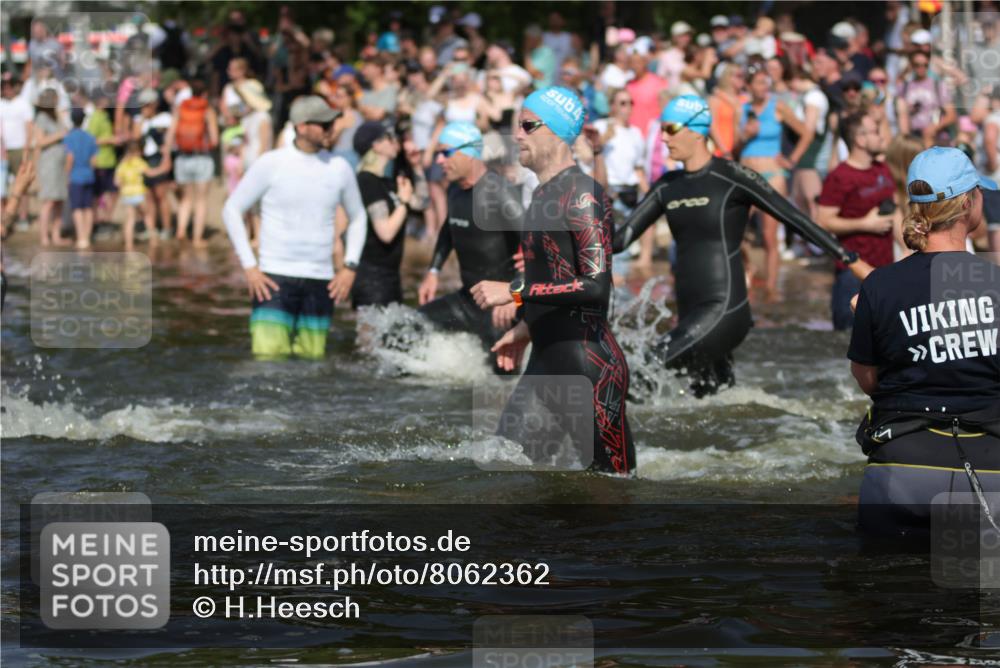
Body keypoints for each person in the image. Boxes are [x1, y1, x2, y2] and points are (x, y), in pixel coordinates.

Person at [612, 95, 859, 397]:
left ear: (696, 129)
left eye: (670, 128)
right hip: (690, 313)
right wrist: (596, 160)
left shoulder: (731, 177)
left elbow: (794, 218)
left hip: (724, 311)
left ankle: (606, 441)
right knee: (711, 405)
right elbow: (617, 241)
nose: (662, 138)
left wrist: (852, 260)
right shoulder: (667, 186)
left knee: (639, 371)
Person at [470, 86, 635, 475]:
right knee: (500, 476)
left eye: (528, 126)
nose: (517, 136)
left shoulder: (583, 194)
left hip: (589, 369)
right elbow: (555, 275)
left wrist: (514, 291)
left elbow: (596, 287)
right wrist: (526, 327)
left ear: (558, 133)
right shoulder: (543, 194)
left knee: (614, 498)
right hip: (545, 361)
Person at [849, 146, 1000, 536]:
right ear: (968, 204)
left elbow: (867, 380)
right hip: (992, 468)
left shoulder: (879, 286)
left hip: (903, 470)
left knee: (889, 589)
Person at [222, 96, 367, 359]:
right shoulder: (271, 163)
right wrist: (249, 267)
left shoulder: (339, 167)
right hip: (273, 278)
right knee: (268, 361)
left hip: (322, 279)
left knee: (312, 363)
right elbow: (231, 209)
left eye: (332, 123)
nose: (331, 128)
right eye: (324, 124)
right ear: (301, 127)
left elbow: (358, 217)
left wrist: (350, 267)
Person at [416, 122, 522, 369]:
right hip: (467, 301)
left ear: (470, 151)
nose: (439, 160)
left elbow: (536, 243)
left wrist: (513, 295)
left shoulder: (499, 191)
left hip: (500, 308)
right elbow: (448, 232)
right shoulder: (454, 189)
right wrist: (433, 272)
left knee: (500, 381)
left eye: (446, 152)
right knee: (408, 327)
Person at [816, 110, 896, 331]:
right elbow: (823, 221)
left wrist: (908, 249)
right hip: (852, 271)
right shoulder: (840, 176)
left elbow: (893, 211)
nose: (881, 137)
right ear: (860, 140)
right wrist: (864, 224)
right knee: (847, 340)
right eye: (875, 132)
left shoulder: (881, 169)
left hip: (885, 270)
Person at [351, 121, 415, 308]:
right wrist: (403, 202)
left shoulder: (386, 183)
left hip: (391, 276)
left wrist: (416, 166)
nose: (395, 141)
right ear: (376, 145)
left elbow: (422, 203)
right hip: (372, 278)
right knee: (370, 337)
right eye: (389, 137)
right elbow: (385, 232)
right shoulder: (366, 181)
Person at [165, 79, 219, 247]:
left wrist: (167, 155)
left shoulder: (181, 108)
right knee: (201, 200)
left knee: (185, 199)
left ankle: (181, 231)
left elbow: (171, 134)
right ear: (205, 94)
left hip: (183, 158)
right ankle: (197, 238)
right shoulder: (207, 109)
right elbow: (215, 140)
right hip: (202, 157)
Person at [32, 88, 68, 246]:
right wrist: (58, 136)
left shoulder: (56, 116)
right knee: (49, 202)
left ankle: (56, 235)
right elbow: (39, 142)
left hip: (60, 165)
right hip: (48, 165)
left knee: (59, 200)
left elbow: (66, 130)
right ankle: (44, 237)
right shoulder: (41, 117)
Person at [62, 108, 99, 250]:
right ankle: (87, 237)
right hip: (89, 175)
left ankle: (81, 237)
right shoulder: (90, 137)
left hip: (75, 177)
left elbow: (70, 158)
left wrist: (67, 175)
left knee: (77, 207)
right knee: (88, 207)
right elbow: (94, 161)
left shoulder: (69, 137)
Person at [113, 140, 156, 251]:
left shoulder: (122, 164)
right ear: (138, 151)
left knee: (130, 220)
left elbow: (117, 182)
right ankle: (153, 240)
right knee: (147, 216)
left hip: (127, 194)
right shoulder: (139, 162)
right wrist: (163, 168)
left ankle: (129, 244)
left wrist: (124, 186)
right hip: (139, 193)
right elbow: (149, 173)